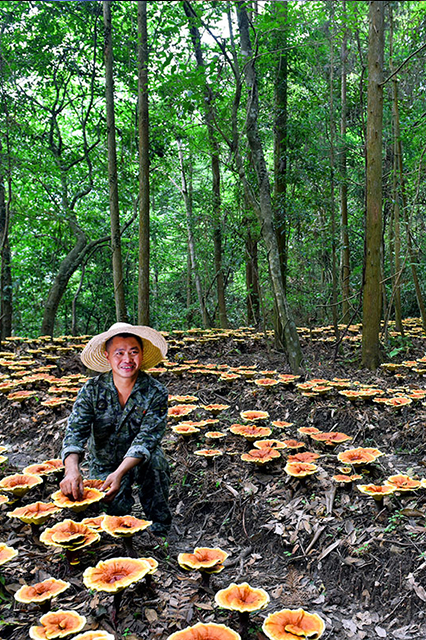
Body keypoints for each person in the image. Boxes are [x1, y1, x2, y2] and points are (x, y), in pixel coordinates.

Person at [60, 322, 172, 536]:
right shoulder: (91, 390)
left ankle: (160, 529)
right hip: (104, 461)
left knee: (157, 463)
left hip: (141, 461)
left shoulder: (156, 392)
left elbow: (147, 439)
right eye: (119, 353)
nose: (127, 360)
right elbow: (76, 431)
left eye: (133, 352)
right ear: (107, 356)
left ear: (141, 355)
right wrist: (71, 468)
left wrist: (121, 472)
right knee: (111, 517)